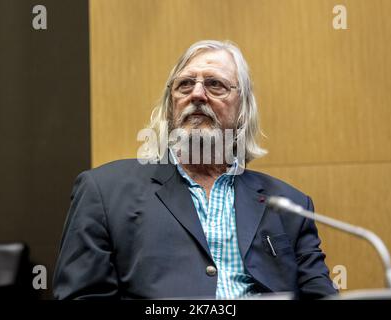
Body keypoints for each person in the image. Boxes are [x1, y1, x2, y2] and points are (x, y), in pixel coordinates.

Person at [53, 40, 337, 300]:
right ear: (170, 107)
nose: (197, 94)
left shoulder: (290, 206)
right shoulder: (104, 191)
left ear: (243, 110)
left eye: (215, 84)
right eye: (185, 85)